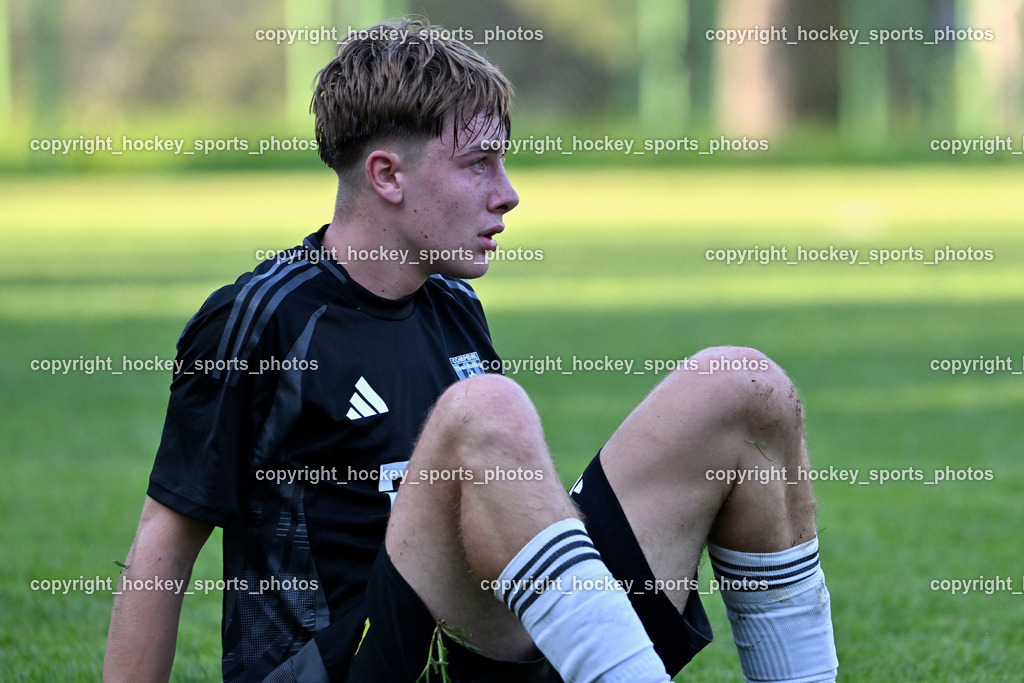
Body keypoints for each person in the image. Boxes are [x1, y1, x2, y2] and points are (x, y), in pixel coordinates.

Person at [104, 18, 838, 683]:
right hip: (344, 664)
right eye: (479, 163)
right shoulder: (262, 319)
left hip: (477, 645)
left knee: (743, 385)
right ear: (387, 175)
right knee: (485, 409)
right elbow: (164, 541)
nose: (508, 193)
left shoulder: (452, 304)